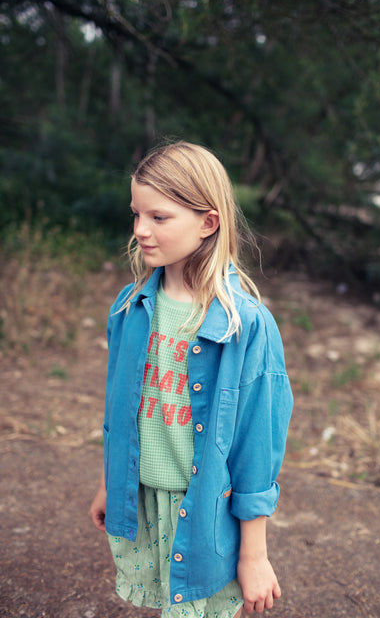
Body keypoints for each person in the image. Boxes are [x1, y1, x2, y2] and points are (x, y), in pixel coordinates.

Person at [89, 141, 293, 618]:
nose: (141, 230)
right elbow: (119, 408)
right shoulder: (130, 307)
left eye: (159, 218)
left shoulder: (245, 326)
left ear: (208, 222)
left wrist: (254, 553)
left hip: (204, 513)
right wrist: (108, 480)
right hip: (144, 499)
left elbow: (256, 446)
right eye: (137, 215)